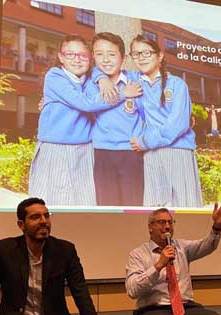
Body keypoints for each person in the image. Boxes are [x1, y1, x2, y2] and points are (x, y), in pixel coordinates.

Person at [29, 34, 140, 206]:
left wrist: (101, 78)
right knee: (55, 200)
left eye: (83, 56)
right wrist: (122, 93)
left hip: (85, 150)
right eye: (70, 54)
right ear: (60, 57)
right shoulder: (55, 76)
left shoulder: (89, 79)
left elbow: (98, 70)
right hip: (57, 149)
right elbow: (85, 103)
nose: (77, 60)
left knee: (85, 200)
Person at [125, 35, 204, 208]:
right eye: (136, 54)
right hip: (151, 154)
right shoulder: (135, 83)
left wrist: (145, 141)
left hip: (177, 150)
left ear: (160, 56)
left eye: (146, 52)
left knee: (184, 204)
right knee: (156, 208)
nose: (141, 58)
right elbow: (105, 70)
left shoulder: (177, 84)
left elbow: (178, 124)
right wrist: (102, 81)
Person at [87, 32, 145, 206]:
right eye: (99, 54)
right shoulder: (91, 83)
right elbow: (88, 105)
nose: (105, 60)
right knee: (106, 204)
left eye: (112, 54)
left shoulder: (135, 79)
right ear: (93, 57)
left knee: (133, 203)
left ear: (123, 57)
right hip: (102, 151)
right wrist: (100, 77)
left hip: (131, 152)